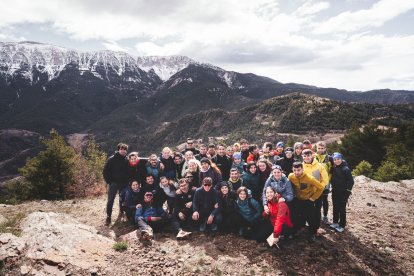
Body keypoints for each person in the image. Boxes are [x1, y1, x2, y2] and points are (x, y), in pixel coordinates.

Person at [288, 162, 324, 243]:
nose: (296, 172)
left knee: (311, 217)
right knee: (297, 215)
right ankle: (300, 228)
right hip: (297, 199)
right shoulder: (291, 176)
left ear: (302, 169)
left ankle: (312, 233)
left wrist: (313, 198)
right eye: (295, 170)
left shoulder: (309, 178)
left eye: (299, 170)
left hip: (308, 200)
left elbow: (321, 187)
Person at [302, 148, 329, 234]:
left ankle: (316, 228)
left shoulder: (319, 166)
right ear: (302, 157)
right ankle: (305, 225)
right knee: (306, 210)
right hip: (306, 193)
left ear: (312, 155)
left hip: (318, 193)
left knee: (317, 210)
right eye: (305, 156)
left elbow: (325, 179)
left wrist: (320, 188)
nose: (307, 158)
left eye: (308, 156)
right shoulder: (301, 167)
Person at [103, 143, 129, 225]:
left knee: (122, 199)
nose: (123, 151)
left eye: (125, 149)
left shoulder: (126, 159)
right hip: (113, 183)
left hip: (123, 183)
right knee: (111, 200)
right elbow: (105, 171)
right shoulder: (112, 159)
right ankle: (108, 217)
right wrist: (109, 181)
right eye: (121, 149)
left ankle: (121, 212)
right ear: (118, 149)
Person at [330, 152, 354, 233]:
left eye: (338, 159)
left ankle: (342, 225)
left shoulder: (345, 169)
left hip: (343, 192)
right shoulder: (334, 167)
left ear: (341, 159)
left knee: (342, 209)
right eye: (335, 159)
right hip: (335, 191)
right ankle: (335, 222)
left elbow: (351, 181)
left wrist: (348, 191)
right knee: (335, 207)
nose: (337, 161)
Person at [314, 141, 333, 224]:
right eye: (319, 148)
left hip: (326, 182)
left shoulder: (329, 158)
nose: (320, 150)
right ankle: (316, 215)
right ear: (316, 148)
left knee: (325, 199)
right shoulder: (313, 157)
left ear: (325, 148)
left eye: (322, 148)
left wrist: (329, 181)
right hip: (315, 182)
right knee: (315, 199)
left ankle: (325, 216)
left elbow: (332, 171)